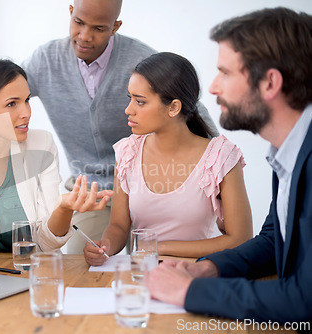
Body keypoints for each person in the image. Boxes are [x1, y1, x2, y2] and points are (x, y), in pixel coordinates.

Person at [0, 0, 219, 254]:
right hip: (90, 192)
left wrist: (215, 168)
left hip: (147, 184)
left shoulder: (140, 61)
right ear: (70, 12)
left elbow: (191, 110)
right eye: (79, 23)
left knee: (160, 255)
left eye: (98, 28)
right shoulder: (47, 61)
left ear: (116, 27)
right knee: (82, 259)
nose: (85, 36)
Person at [148, 7, 312, 323]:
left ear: (269, 83)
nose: (212, 87)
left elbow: (305, 298)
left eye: (225, 72)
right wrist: (207, 268)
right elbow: (274, 240)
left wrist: (186, 292)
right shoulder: (287, 150)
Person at [0, 58, 112, 257]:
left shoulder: (41, 144)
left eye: (27, 100)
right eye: (11, 104)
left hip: (32, 271)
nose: (26, 113)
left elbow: (46, 244)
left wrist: (64, 209)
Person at [83, 52, 252, 265]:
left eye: (140, 102)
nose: (128, 110)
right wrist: (105, 245)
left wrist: (159, 248)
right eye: (130, 99)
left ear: (173, 107)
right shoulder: (128, 153)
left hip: (200, 275)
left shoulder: (220, 157)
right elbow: (118, 226)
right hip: (144, 276)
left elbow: (241, 240)